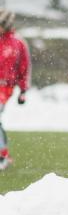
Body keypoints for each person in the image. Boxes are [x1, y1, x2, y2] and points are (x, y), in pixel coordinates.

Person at [0, 9, 30, 170]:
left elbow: (24, 69)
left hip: (5, 87)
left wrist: (23, 90)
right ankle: (4, 154)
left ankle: (3, 156)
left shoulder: (18, 43)